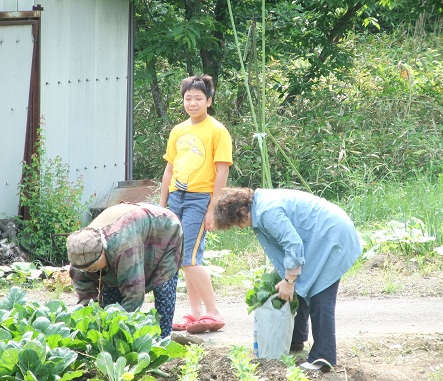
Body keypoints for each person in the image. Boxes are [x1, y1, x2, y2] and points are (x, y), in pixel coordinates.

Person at [212, 187, 362, 372]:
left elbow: (293, 244)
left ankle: (323, 358)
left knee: (320, 298)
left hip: (332, 235)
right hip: (321, 234)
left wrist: (289, 280)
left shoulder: (267, 212)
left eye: (237, 223)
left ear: (242, 210)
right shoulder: (259, 205)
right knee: (303, 285)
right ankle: (295, 340)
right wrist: (290, 279)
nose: (240, 227)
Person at [160, 74, 233, 334]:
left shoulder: (217, 130)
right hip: (176, 198)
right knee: (184, 257)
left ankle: (214, 312)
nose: (192, 103)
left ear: (209, 101)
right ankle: (195, 313)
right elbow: (169, 169)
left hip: (200, 199)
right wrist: (162, 205)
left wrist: (214, 208)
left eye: (198, 98)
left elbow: (222, 172)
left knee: (188, 257)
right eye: (188, 98)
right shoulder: (178, 130)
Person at [67, 202, 183, 338]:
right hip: (132, 230)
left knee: (163, 288)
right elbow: (86, 300)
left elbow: (134, 295)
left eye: (93, 266)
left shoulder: (122, 249)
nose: (90, 271)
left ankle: (163, 339)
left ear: (104, 251)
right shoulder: (79, 256)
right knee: (111, 299)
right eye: (86, 269)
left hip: (164, 230)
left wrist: (119, 326)